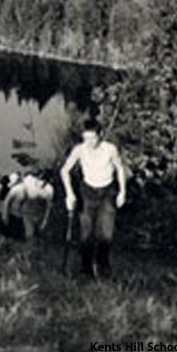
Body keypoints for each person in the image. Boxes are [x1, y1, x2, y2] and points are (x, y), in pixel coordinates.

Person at [60, 119, 127, 278]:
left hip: (107, 191)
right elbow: (64, 171)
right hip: (87, 191)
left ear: (100, 135)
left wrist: (122, 192)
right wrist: (69, 193)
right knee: (86, 233)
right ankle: (86, 269)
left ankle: (103, 265)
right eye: (86, 138)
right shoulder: (79, 150)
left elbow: (120, 168)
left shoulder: (110, 149)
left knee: (106, 233)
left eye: (93, 138)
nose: (89, 142)